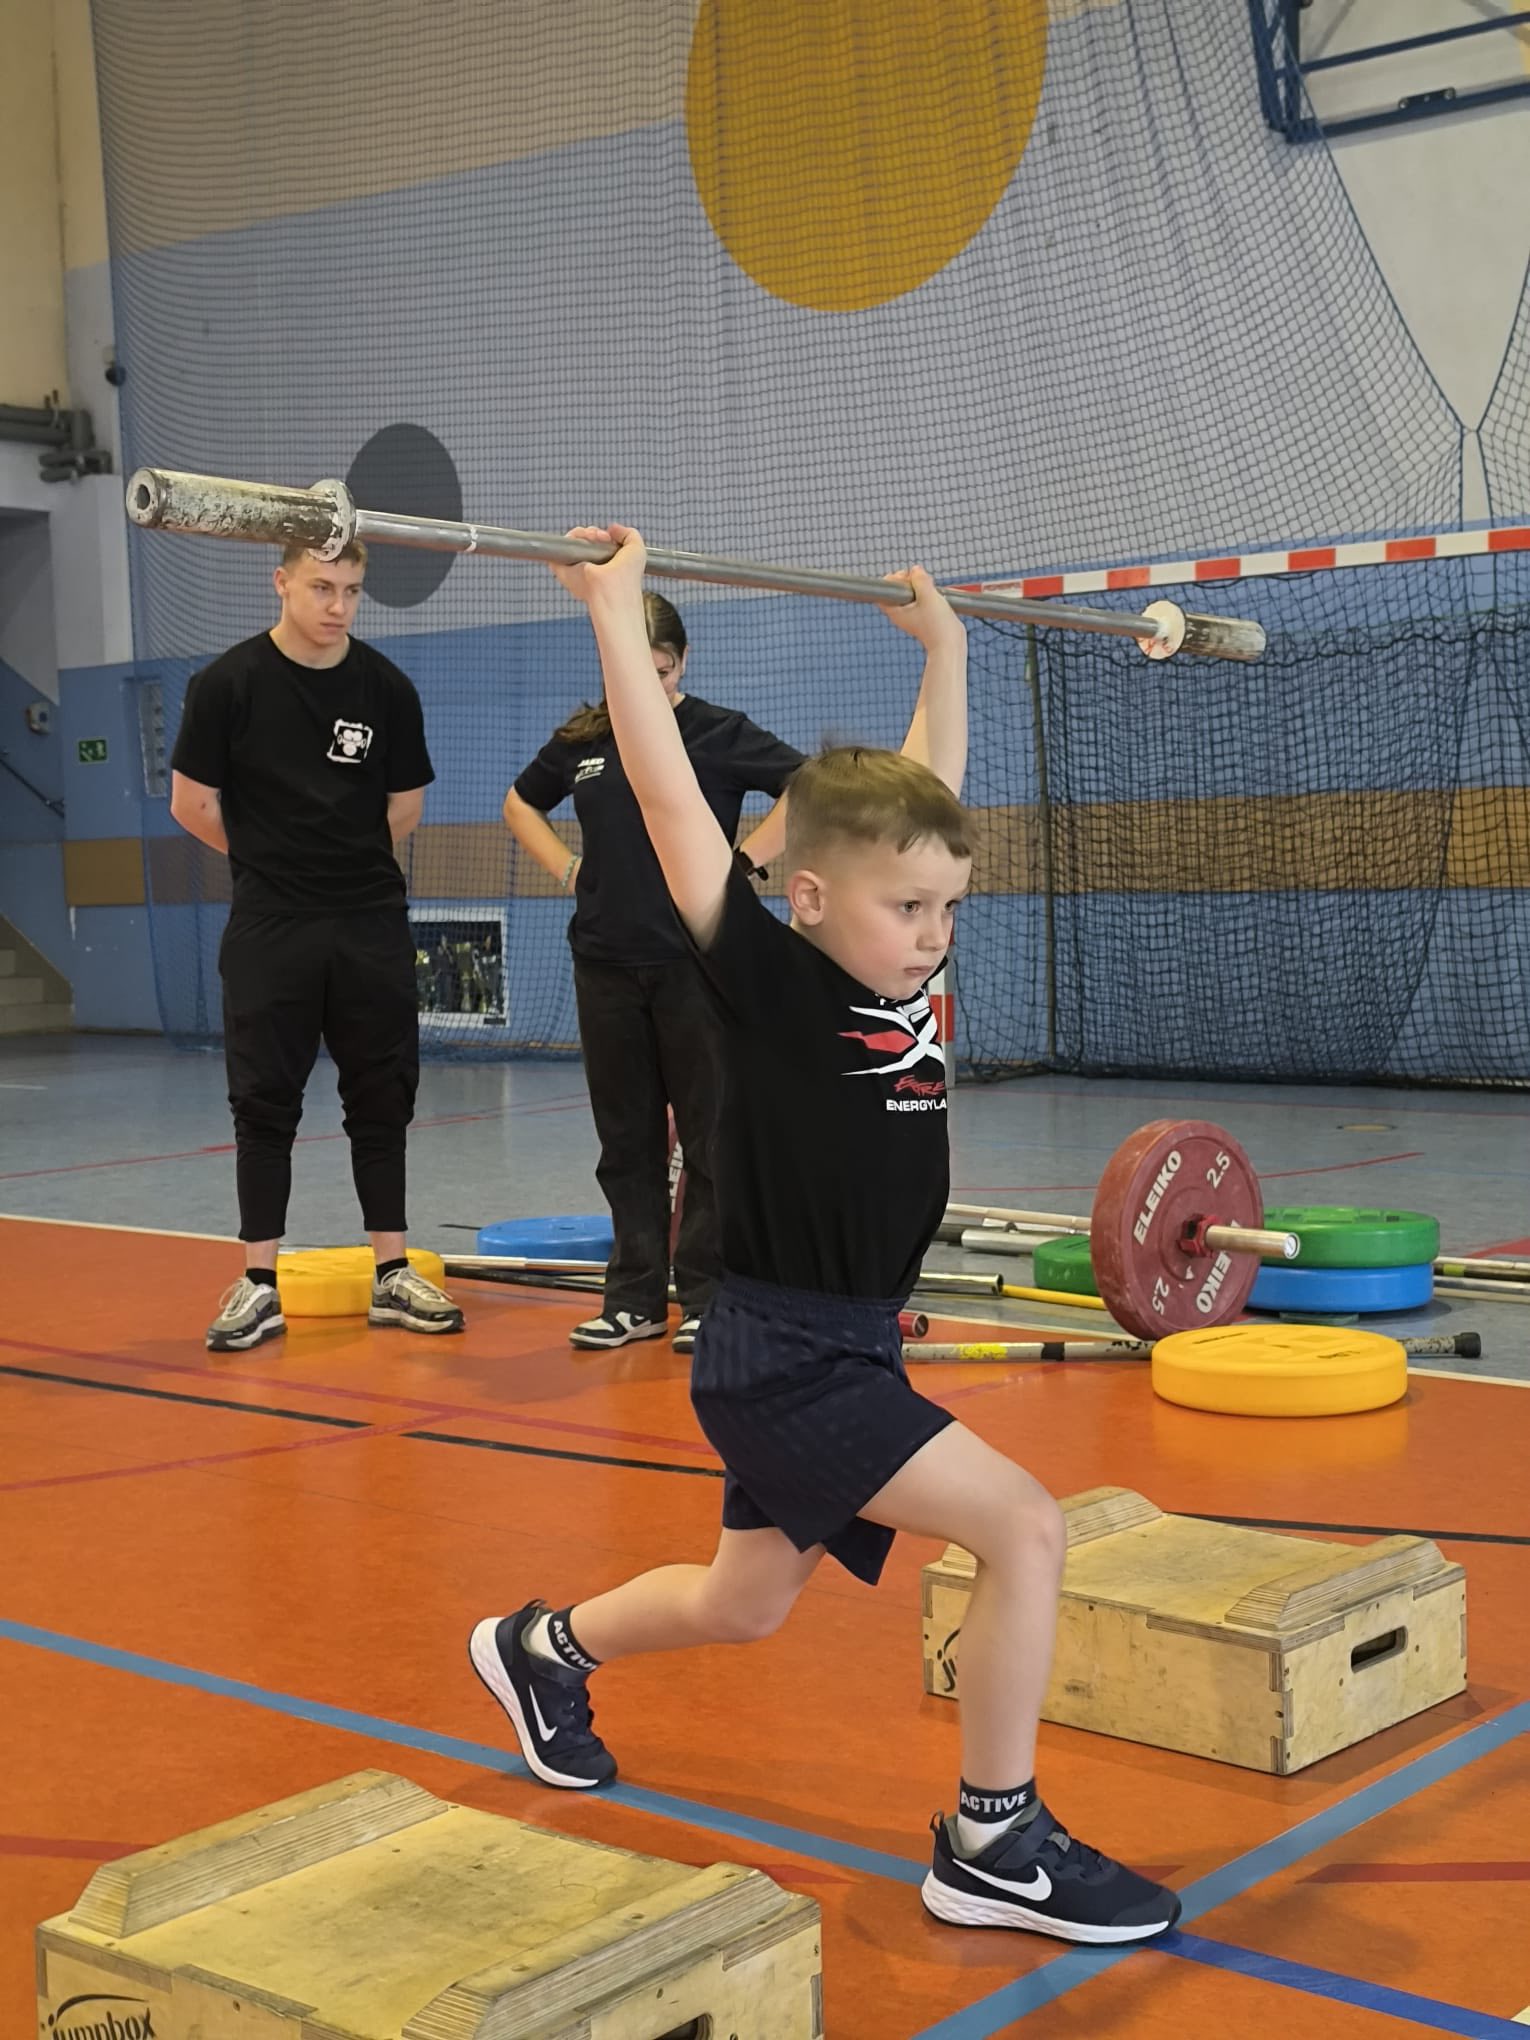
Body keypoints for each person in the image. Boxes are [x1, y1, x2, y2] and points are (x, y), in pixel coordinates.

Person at [470, 527, 1180, 1947]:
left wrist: (948, 650)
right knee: (1023, 1528)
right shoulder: (769, 982)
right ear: (805, 900)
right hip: (786, 1353)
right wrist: (616, 613)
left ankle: (540, 1649)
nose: (932, 933)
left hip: (841, 1342)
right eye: (907, 909)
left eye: (946, 910)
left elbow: (924, 807)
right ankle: (993, 1841)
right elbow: (670, 806)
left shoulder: (892, 964)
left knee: (743, 1603)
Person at [169, 539, 464, 1352]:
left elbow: (405, 805)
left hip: (369, 923)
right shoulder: (227, 684)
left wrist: (340, 863)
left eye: (352, 590)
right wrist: (276, 861)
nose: (338, 606)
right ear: (282, 583)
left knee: (382, 1095)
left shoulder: (386, 687)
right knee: (264, 1102)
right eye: (322, 587)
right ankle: (259, 1283)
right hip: (271, 926)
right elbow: (191, 804)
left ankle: (392, 1272)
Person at [504, 591, 803, 1353]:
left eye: (662, 669)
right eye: (633, 669)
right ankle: (633, 1298)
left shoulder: (716, 731)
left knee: (710, 1138)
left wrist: (741, 863)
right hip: (605, 965)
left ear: (683, 662)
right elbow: (520, 803)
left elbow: (808, 788)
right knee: (626, 1142)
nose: (650, 682)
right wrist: (568, 868)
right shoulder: (584, 738)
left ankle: (709, 1296)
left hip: (697, 965)